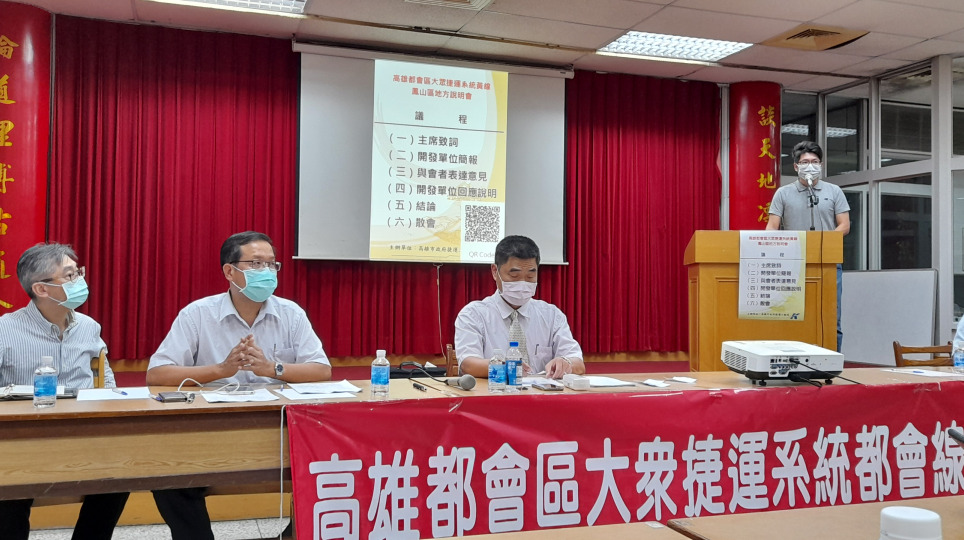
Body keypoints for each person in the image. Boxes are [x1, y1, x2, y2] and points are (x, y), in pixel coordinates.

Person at [147, 231, 331, 540]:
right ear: (229, 271)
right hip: (212, 429)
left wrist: (272, 368)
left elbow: (322, 370)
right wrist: (221, 370)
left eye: (272, 264)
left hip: (279, 429)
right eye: (256, 264)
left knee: (325, 464)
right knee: (167, 476)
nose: (267, 271)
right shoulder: (197, 314)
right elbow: (156, 374)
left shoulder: (291, 313)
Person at [0, 243, 129, 540]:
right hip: (23, 442)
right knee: (8, 490)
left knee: (121, 475)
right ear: (41, 289)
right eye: (70, 276)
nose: (80, 281)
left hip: (83, 437)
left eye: (78, 273)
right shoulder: (5, 330)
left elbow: (106, 379)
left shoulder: (89, 327)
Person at [455, 235, 584, 379]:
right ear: (495, 271)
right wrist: (505, 367)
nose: (522, 283)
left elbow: (578, 363)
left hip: (541, 391)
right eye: (514, 276)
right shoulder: (474, 314)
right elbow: (467, 365)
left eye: (530, 277)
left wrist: (566, 363)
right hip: (495, 389)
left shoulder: (552, 315)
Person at [767, 140, 850, 350]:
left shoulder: (834, 191)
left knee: (831, 317)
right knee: (792, 315)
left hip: (828, 263)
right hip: (792, 264)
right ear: (796, 166)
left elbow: (844, 225)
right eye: (805, 162)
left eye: (814, 161)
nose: (810, 166)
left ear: (821, 165)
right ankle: (791, 360)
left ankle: (832, 361)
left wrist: (824, 242)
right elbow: (772, 227)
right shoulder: (783, 193)